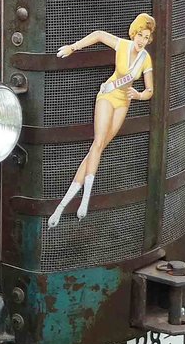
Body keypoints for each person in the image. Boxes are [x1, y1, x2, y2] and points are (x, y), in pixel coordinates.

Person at [48, 13, 155, 228]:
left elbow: (150, 89)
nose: (142, 40)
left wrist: (140, 95)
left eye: (146, 37)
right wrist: (73, 47)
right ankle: (85, 199)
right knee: (97, 143)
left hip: (123, 103)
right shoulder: (122, 45)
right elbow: (98, 35)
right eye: (140, 35)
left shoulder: (146, 59)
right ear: (134, 33)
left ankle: (62, 206)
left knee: (97, 150)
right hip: (107, 95)